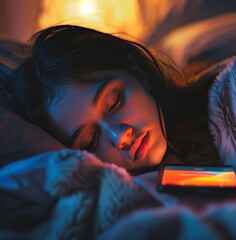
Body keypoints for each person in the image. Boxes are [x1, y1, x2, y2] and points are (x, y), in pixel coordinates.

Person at [9, 25, 219, 174]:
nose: (120, 137)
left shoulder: (230, 96)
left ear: (139, 73)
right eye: (90, 141)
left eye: (115, 102)